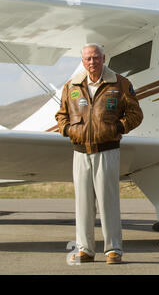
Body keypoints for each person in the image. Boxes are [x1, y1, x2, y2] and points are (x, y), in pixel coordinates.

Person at [56, 43, 143, 264]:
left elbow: (135, 113)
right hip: (80, 151)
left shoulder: (121, 84)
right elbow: (61, 115)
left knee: (108, 201)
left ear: (104, 58)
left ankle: (113, 249)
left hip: (108, 150)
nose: (92, 62)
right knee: (83, 203)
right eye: (88, 59)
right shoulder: (71, 86)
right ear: (83, 61)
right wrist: (67, 130)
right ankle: (85, 249)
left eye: (96, 58)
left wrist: (117, 128)